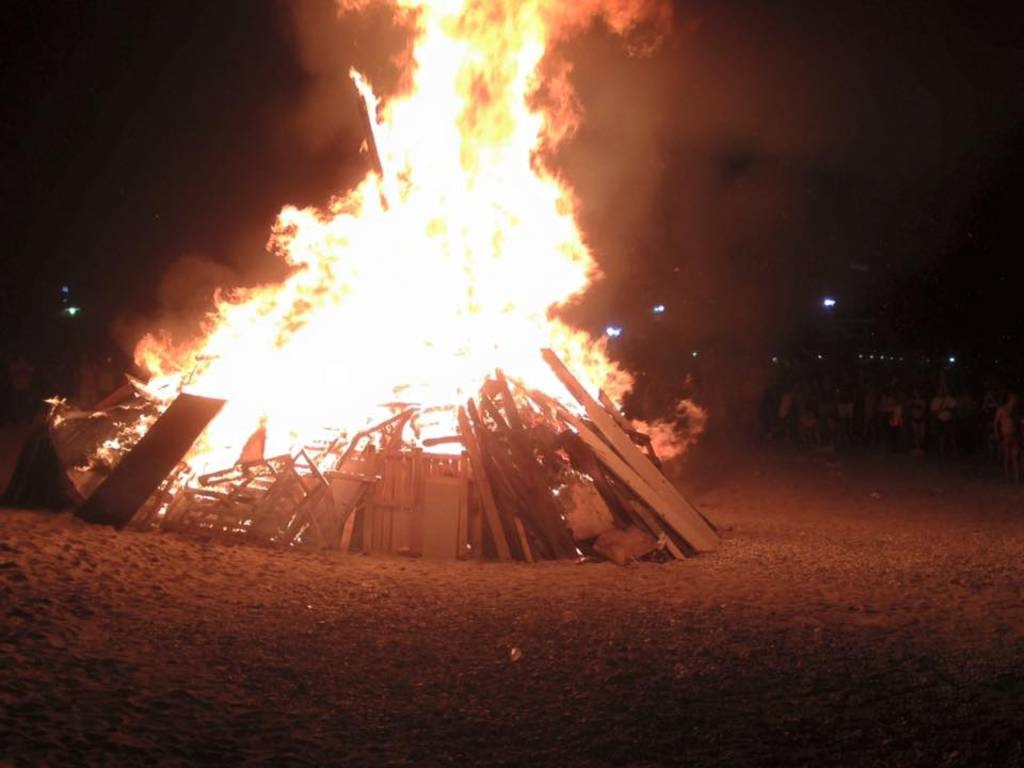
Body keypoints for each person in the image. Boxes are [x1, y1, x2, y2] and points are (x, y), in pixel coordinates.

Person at [994, 392, 1019, 482]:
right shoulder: (1001, 409)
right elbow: (995, 422)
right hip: (1005, 434)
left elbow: (1016, 423)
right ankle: (1007, 476)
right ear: (1009, 399)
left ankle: (1017, 477)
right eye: (1013, 398)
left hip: (1013, 434)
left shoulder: (1014, 410)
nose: (1015, 400)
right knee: (1006, 456)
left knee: (1014, 456)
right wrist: (996, 432)